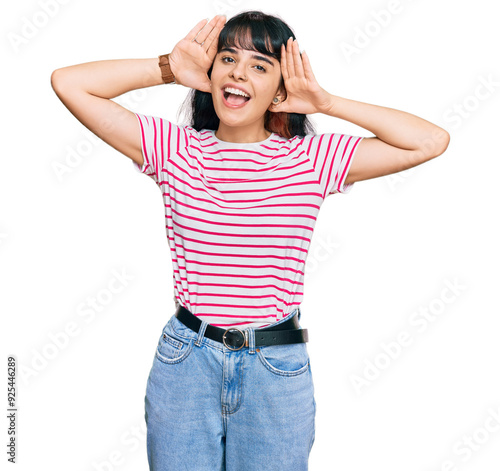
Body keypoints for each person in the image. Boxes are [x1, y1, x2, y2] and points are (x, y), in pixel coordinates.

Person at [51, 10, 450, 471]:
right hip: (186, 364)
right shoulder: (174, 149)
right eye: (228, 58)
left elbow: (428, 140)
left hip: (276, 370)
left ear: (281, 91)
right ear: (211, 72)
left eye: (260, 65)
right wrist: (168, 68)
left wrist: (323, 101)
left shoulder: (311, 160)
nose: (239, 72)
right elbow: (68, 83)